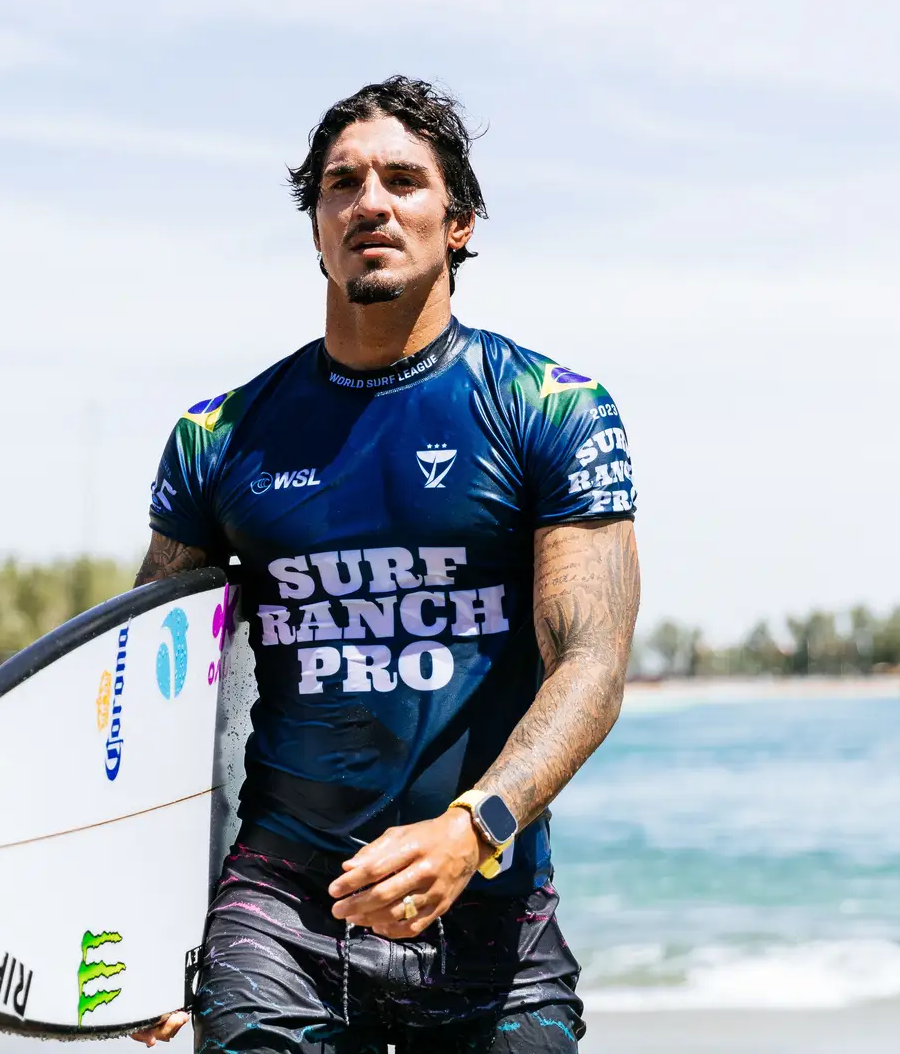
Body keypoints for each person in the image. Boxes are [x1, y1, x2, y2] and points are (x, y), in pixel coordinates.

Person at [133, 77, 640, 1052]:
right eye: (342, 183)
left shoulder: (552, 407)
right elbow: (153, 699)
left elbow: (591, 659)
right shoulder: (220, 437)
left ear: (458, 221)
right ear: (316, 225)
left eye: (403, 180)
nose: (370, 201)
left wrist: (476, 825)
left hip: (491, 911)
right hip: (278, 913)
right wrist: (145, 924)